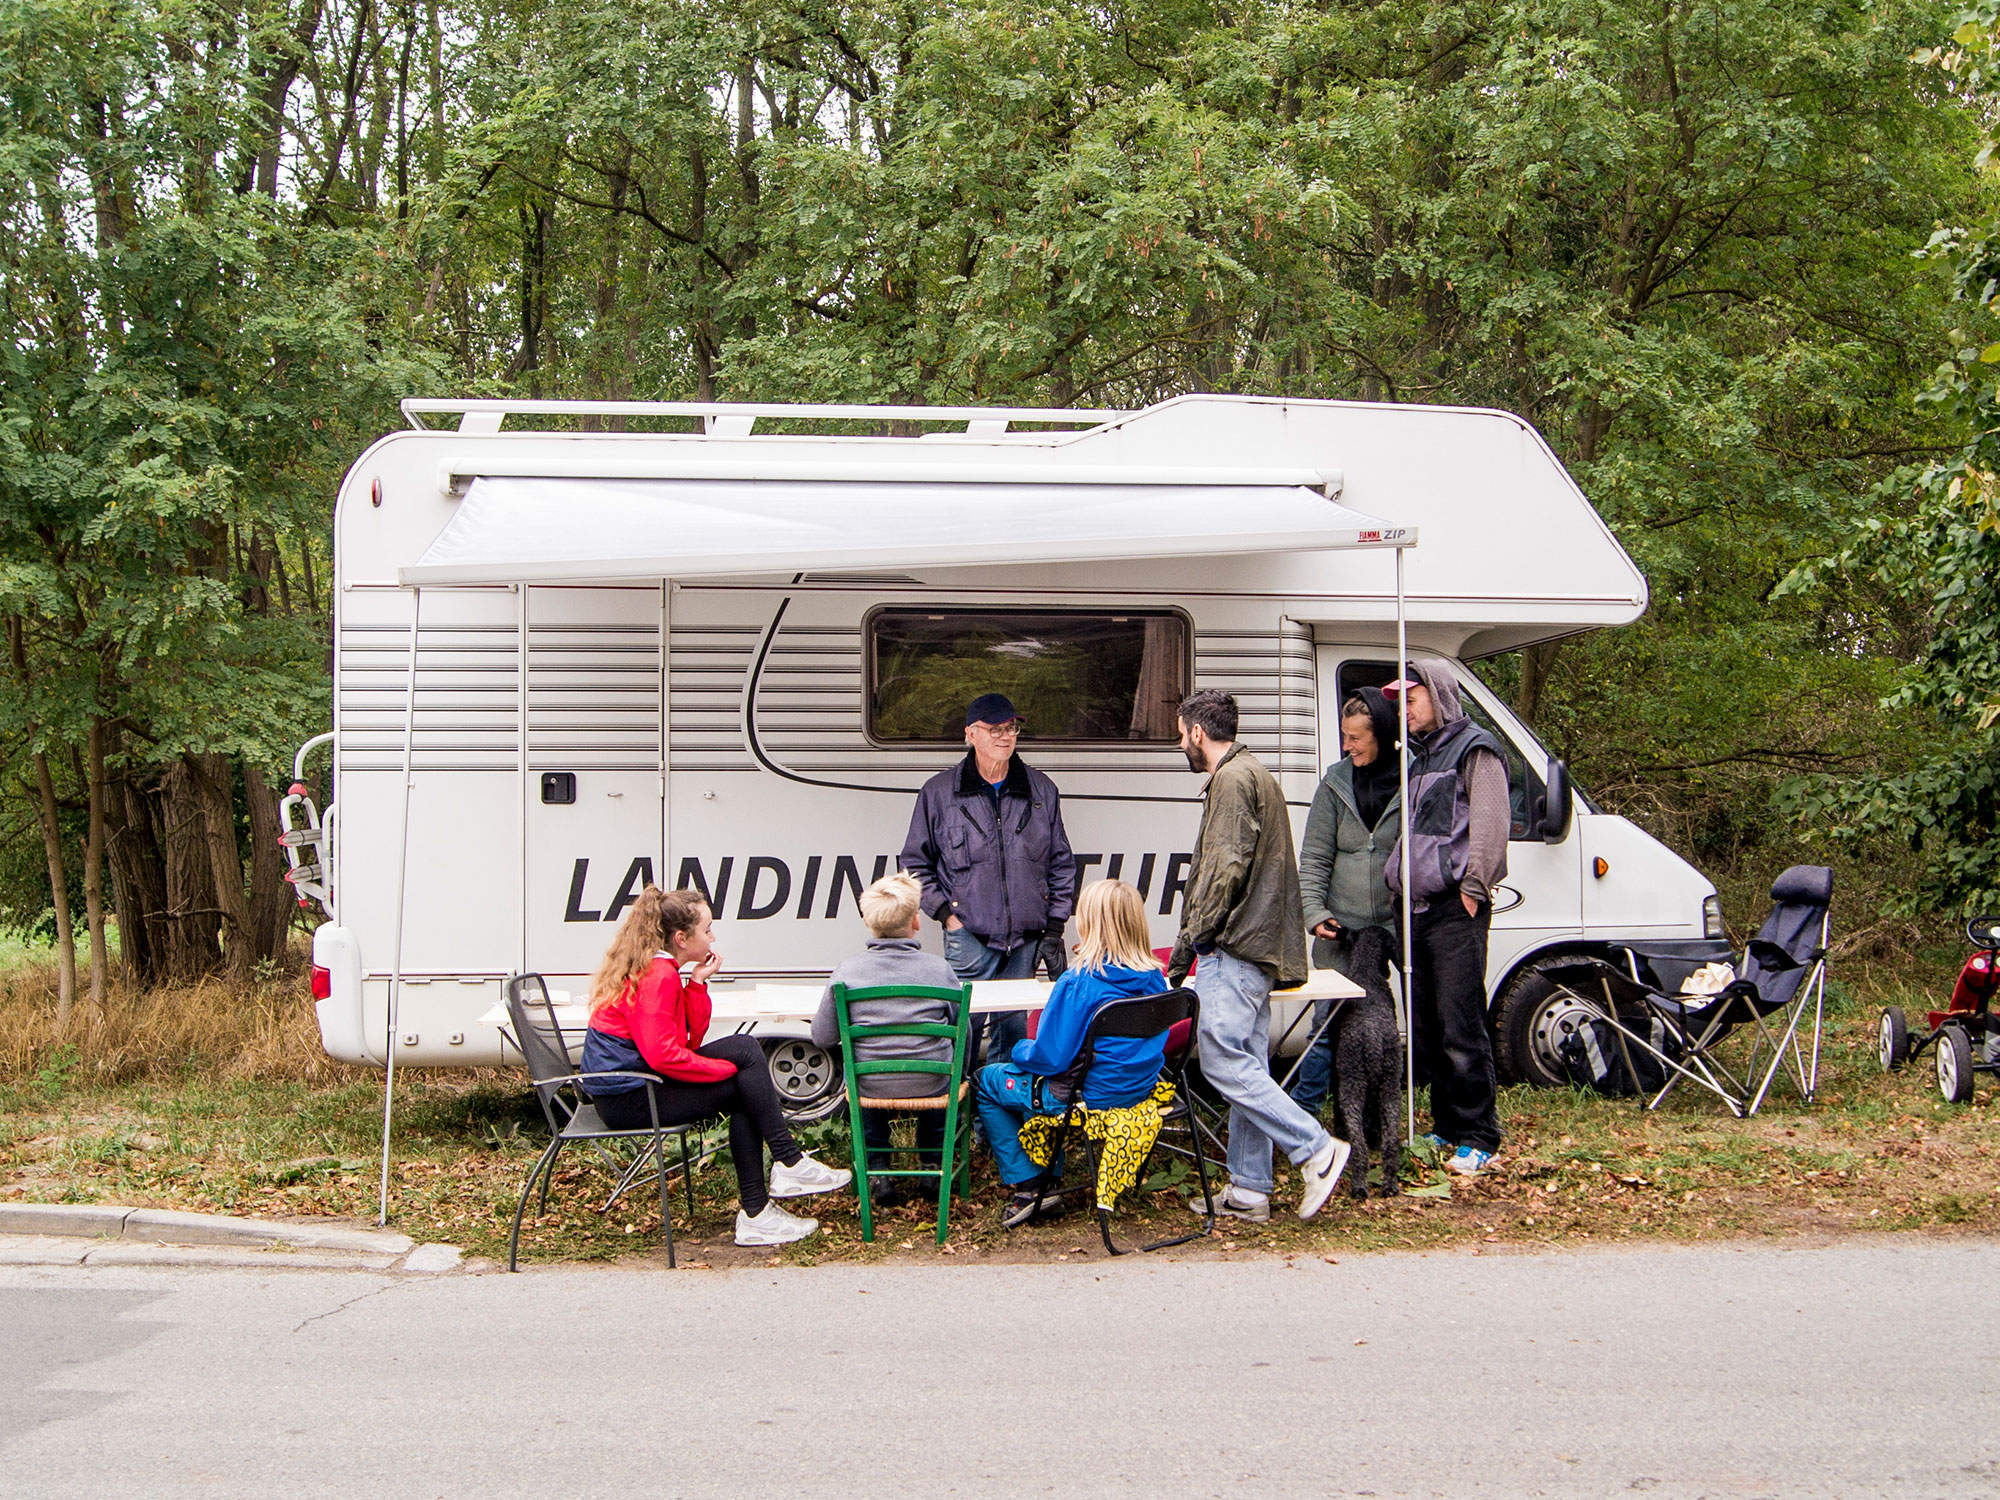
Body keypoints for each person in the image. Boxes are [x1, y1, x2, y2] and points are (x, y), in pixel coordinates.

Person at [1166, 688, 1351, 1223]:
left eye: (1182, 734)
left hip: (1235, 947)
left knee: (1224, 1061)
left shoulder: (1229, 780)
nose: (1182, 744)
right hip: (1259, 946)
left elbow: (1222, 873)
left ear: (1198, 732)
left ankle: (1315, 1149)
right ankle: (1249, 1188)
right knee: (1248, 1064)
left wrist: (1184, 949)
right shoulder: (1257, 775)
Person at [579, 886, 852, 1247]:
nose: (713, 937)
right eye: (707, 930)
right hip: (627, 1097)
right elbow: (665, 1057)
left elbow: (686, 1043)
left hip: (635, 1085)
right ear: (681, 938)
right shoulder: (657, 976)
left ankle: (780, 1179)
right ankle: (777, 1180)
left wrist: (697, 984)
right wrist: (728, 1073)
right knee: (743, 1083)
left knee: (745, 1048)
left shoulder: (662, 969)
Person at [974, 879, 1173, 1228]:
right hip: (1138, 1092)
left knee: (987, 1081)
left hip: (1083, 1098)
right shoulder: (1156, 979)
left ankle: (1033, 1184)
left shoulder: (1079, 982)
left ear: (1090, 924)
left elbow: (1049, 1059)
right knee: (1033, 1081)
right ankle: (1047, 1174)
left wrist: (1020, 1049)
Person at [900, 691, 1077, 1066]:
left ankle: (998, 1121)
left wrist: (1055, 925)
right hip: (968, 936)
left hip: (1027, 939)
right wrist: (946, 914)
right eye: (994, 729)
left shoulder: (1041, 790)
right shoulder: (938, 793)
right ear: (970, 734)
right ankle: (957, 1117)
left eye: (1011, 728)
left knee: (1012, 1035)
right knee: (961, 1031)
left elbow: (1061, 861)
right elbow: (915, 862)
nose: (1005, 736)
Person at [1382, 660, 1509, 1175]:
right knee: (1428, 1027)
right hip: (1413, 913)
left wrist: (1473, 890)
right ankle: (1446, 1128)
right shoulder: (1418, 757)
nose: (1403, 710)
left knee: (1461, 1025)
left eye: (1410, 699)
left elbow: (1491, 823)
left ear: (1438, 695)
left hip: (1455, 910)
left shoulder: (1477, 748)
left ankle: (1479, 1134)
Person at [811, 872, 964, 1210]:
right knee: (940, 1070)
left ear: (868, 923)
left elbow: (822, 1036)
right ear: (916, 921)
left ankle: (878, 1171)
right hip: (930, 1081)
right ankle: (931, 1167)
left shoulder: (848, 971)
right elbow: (959, 1029)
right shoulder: (940, 970)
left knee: (865, 1076)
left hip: (872, 1084)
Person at [1289, 686, 1403, 1114]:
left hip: (1395, 926)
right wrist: (1315, 914)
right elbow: (1314, 857)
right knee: (1325, 1024)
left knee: (1388, 1022)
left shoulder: (1411, 778)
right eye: (1344, 735)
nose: (1347, 745)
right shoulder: (1335, 782)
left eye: (1355, 737)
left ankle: (1381, 1110)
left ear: (1381, 733)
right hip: (1340, 928)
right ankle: (1305, 1111)